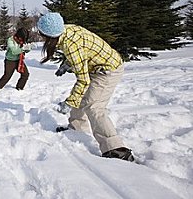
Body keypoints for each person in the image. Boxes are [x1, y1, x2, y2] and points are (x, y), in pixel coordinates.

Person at [37, 12, 134, 162]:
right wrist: (66, 64)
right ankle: (77, 129)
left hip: (108, 70)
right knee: (82, 98)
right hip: (96, 67)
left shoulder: (71, 44)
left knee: (94, 106)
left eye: (42, 34)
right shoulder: (65, 30)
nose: (41, 37)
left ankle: (116, 148)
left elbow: (83, 80)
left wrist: (68, 103)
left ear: (50, 36)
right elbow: (83, 51)